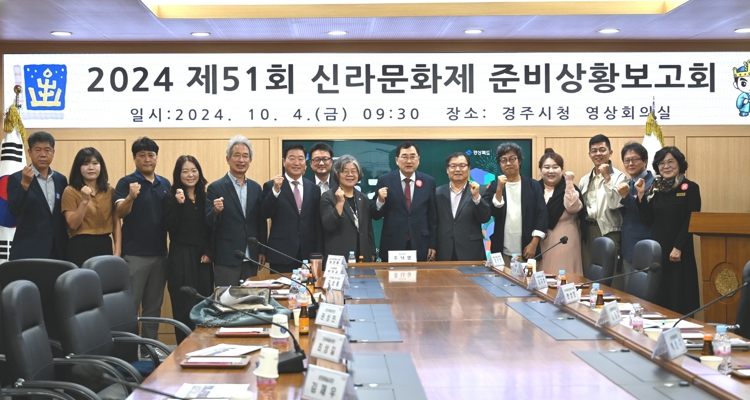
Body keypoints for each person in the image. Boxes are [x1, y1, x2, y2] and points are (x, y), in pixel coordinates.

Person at [115, 137, 171, 351]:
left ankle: (149, 349)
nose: (147, 159)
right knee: (130, 306)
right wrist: (130, 197)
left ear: (156, 157)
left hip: (160, 254)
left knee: (153, 307)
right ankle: (128, 351)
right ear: (134, 158)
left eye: (151, 155)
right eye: (142, 155)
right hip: (134, 255)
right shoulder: (126, 182)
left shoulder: (165, 183)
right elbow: (120, 213)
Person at [635, 146, 701, 315]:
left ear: (679, 164)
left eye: (671, 161)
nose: (666, 166)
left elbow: (691, 220)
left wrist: (678, 247)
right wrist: (641, 196)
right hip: (659, 250)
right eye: (661, 163)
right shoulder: (656, 188)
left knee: (679, 293)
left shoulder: (690, 188)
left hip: (680, 249)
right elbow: (647, 218)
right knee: (660, 293)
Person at [164, 155, 213, 343]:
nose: (190, 175)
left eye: (194, 170)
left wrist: (209, 252)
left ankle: (204, 348)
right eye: (185, 171)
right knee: (183, 305)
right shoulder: (170, 197)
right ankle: (184, 350)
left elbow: (210, 229)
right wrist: (180, 205)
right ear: (178, 174)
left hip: (203, 259)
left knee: (204, 305)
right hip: (180, 257)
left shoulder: (205, 197)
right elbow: (172, 228)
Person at [206, 136, 267, 285]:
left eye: (245, 156)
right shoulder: (216, 188)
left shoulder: (256, 188)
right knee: (226, 298)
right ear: (228, 159)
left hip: (251, 256)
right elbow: (207, 221)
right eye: (236, 155)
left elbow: (260, 221)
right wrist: (216, 211)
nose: (241, 160)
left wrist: (261, 250)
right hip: (227, 257)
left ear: (250, 160)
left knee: (249, 298)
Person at [481, 142, 547, 266]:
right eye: (503, 160)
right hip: (501, 251)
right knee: (500, 279)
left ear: (519, 161)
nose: (508, 163)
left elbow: (542, 214)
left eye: (512, 159)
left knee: (528, 279)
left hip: (528, 249)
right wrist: (499, 189)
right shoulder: (494, 186)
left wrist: (534, 243)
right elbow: (494, 213)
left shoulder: (533, 185)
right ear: (500, 164)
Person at [371, 141, 437, 262]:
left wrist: (433, 243)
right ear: (397, 160)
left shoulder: (428, 181)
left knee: (420, 274)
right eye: (404, 157)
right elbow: (375, 215)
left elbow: (432, 216)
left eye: (413, 157)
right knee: (391, 274)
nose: (409, 161)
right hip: (392, 242)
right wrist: (380, 200)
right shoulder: (385, 180)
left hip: (420, 242)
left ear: (418, 159)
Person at [7, 131, 68, 260]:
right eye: (38, 150)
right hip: (29, 249)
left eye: (47, 150)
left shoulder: (61, 180)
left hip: (58, 249)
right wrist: (24, 184)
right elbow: (13, 210)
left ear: (53, 152)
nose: (43, 154)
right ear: (29, 152)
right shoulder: (16, 178)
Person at [262, 142, 322, 273]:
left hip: (307, 252)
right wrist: (275, 191)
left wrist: (318, 253)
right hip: (281, 252)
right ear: (284, 161)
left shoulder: (314, 189)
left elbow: (317, 222)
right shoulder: (271, 186)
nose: (296, 163)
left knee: (308, 285)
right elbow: (265, 214)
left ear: (305, 163)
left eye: (300, 159)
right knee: (281, 285)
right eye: (292, 158)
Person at [61, 147, 121, 267]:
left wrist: (117, 252)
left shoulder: (110, 191)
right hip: (80, 245)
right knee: (81, 279)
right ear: (78, 168)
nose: (91, 167)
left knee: (104, 279)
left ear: (101, 166)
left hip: (104, 243)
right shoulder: (70, 191)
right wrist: (84, 201)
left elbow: (116, 223)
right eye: (85, 164)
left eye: (95, 163)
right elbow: (73, 224)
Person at [578, 134, 627, 279]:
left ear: (610, 152)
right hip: (588, 231)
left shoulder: (620, 177)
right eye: (594, 151)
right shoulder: (584, 179)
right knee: (589, 273)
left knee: (611, 275)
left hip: (609, 231)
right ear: (589, 154)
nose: (598, 154)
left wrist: (607, 178)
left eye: (602, 150)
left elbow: (615, 203)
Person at [435, 152, 491, 261]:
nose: (457, 169)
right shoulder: (437, 192)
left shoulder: (481, 191)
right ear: (447, 170)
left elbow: (484, 218)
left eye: (462, 166)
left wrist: (476, 197)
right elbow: (433, 222)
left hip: (471, 251)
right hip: (444, 249)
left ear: (469, 169)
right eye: (453, 166)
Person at [536, 149, 583, 275]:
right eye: (547, 167)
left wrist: (569, 182)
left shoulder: (570, 188)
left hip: (565, 240)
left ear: (562, 169)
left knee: (564, 276)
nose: (551, 171)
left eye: (555, 167)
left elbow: (572, 207)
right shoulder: (535, 188)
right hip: (539, 240)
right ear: (540, 170)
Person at [320, 155, 375, 262]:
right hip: (339, 256)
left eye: (354, 171)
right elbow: (328, 225)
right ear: (337, 174)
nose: (350, 174)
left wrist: (372, 251)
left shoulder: (363, 198)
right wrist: (340, 203)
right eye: (345, 171)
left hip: (362, 255)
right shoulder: (328, 197)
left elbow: (368, 228)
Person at [615, 142, 654, 287]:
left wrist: (627, 197)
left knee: (644, 291)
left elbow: (645, 215)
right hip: (627, 245)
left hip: (645, 245)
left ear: (645, 161)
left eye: (635, 159)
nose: (630, 163)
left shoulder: (653, 184)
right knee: (629, 291)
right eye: (627, 160)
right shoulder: (628, 183)